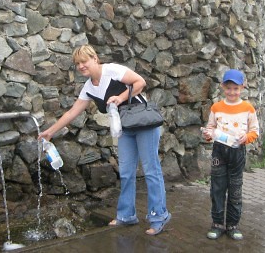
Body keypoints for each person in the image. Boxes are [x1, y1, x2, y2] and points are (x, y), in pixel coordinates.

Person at [38, 44, 171, 236]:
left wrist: (120, 97)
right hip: (124, 129)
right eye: (77, 64)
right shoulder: (88, 88)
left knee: (151, 171)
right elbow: (72, 112)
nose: (81, 66)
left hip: (143, 124)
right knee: (125, 172)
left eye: (84, 61)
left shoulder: (112, 70)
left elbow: (140, 82)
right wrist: (50, 131)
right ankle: (126, 215)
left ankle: (159, 216)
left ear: (94, 59)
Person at [201, 69, 259, 241]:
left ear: (242, 87)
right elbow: (211, 127)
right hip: (219, 150)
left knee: (235, 189)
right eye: (228, 88)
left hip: (237, 151)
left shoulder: (248, 108)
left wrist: (246, 137)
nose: (232, 92)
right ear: (222, 87)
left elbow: (255, 131)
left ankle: (233, 225)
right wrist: (208, 133)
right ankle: (217, 224)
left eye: (236, 88)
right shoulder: (216, 107)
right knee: (217, 188)